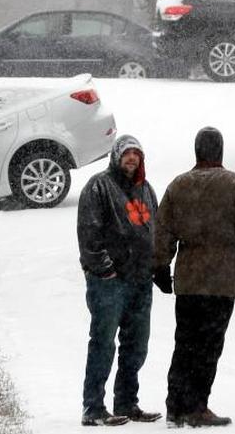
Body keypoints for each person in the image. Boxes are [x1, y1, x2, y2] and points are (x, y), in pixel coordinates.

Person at [153, 127, 235, 428]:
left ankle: (175, 407)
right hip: (221, 280)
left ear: (196, 151)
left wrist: (160, 267)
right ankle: (197, 407)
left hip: (189, 279)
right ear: (219, 151)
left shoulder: (178, 186)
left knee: (185, 342)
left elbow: (163, 231)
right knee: (208, 346)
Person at [77, 135, 163, 427]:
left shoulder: (146, 189)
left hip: (141, 280)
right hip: (109, 282)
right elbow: (88, 233)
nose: (132, 159)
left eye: (136, 154)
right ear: (116, 156)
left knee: (136, 344)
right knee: (103, 343)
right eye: (127, 153)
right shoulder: (98, 186)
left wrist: (158, 265)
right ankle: (93, 407)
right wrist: (104, 269)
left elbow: (156, 229)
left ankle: (127, 402)